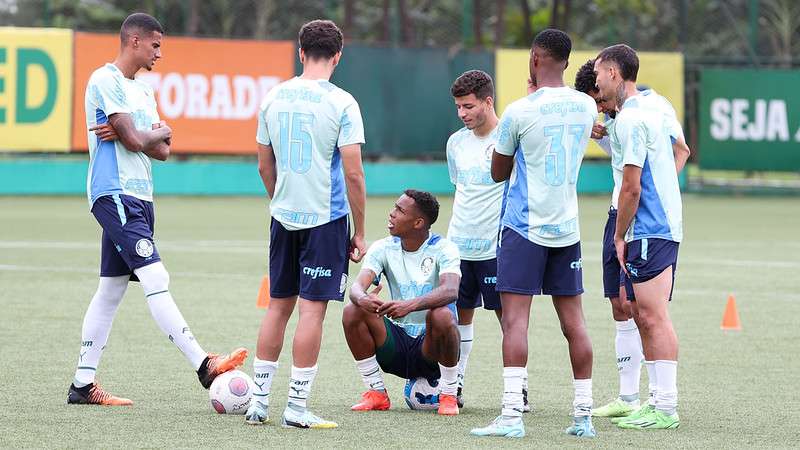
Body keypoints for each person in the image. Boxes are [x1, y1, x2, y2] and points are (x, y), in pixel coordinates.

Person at [68, 12, 247, 407]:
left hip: (141, 197)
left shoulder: (143, 92)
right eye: (155, 45)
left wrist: (143, 134)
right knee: (156, 274)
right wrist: (144, 134)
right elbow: (137, 140)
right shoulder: (105, 80)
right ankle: (203, 364)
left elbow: (162, 150)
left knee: (111, 290)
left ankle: (82, 384)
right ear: (133, 41)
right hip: (113, 193)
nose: (159, 53)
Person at [470, 29, 598, 439]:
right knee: (574, 323)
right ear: (566, 60)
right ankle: (583, 416)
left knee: (515, 322)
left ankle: (511, 415)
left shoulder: (520, 112)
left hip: (524, 228)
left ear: (535, 58)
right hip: (567, 228)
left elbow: (498, 173)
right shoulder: (584, 105)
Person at [245, 19, 367, 429]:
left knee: (278, 307)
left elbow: (265, 164)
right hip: (325, 219)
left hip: (283, 217)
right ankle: (296, 408)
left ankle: (258, 403)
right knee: (312, 312)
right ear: (338, 56)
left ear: (300, 52)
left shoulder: (272, 97)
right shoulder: (343, 103)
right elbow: (353, 174)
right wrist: (360, 232)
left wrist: (280, 200)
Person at [574, 59, 690, 420]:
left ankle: (664, 404)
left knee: (652, 313)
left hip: (645, 222)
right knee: (627, 307)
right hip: (624, 215)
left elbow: (677, 152)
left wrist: (658, 193)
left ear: (611, 74)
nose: (600, 109)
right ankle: (631, 398)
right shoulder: (619, 119)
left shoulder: (648, 110)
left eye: (598, 94)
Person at [445, 70, 529, 411]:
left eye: (468, 106)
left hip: (496, 247)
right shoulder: (455, 143)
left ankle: (518, 390)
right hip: (458, 248)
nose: (463, 113)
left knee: (507, 319)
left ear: (488, 101)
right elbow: (461, 191)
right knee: (459, 318)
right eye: (458, 108)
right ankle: (456, 384)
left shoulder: (508, 139)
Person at [343, 190, 462, 416]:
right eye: (394, 207)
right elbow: (357, 288)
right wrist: (365, 299)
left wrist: (409, 305)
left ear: (418, 222)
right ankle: (376, 393)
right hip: (397, 343)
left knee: (442, 315)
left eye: (400, 210)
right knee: (352, 310)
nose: (392, 214)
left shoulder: (444, 248)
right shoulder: (383, 247)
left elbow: (450, 290)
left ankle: (448, 395)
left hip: (432, 349)